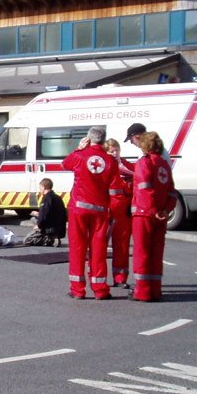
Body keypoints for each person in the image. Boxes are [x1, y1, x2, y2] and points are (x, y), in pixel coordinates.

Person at [62, 126, 120, 300]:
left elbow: (65, 164)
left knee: (78, 248)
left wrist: (78, 149)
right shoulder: (110, 161)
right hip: (100, 210)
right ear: (104, 140)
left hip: (79, 208)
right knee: (99, 250)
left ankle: (78, 290)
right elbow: (115, 186)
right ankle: (101, 289)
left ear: (88, 139)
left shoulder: (80, 156)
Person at [131, 131, 177, 302]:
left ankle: (142, 292)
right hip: (161, 216)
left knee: (142, 253)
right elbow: (172, 192)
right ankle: (155, 290)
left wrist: (153, 209)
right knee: (156, 254)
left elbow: (144, 188)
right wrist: (165, 210)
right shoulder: (164, 164)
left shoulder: (144, 163)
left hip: (144, 215)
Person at [105, 138, 134, 286]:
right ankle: (98, 278)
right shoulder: (102, 165)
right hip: (106, 209)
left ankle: (120, 277)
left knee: (122, 245)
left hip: (123, 211)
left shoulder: (127, 166)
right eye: (111, 151)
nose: (114, 153)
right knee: (99, 245)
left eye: (117, 150)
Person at [25, 178, 67, 246]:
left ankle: (49, 239)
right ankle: (52, 237)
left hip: (50, 228)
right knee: (33, 219)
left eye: (40, 188)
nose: (40, 190)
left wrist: (39, 226)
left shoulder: (46, 198)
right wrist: (38, 214)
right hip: (59, 228)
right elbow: (52, 213)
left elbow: (44, 216)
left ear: (44, 187)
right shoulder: (58, 198)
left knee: (27, 240)